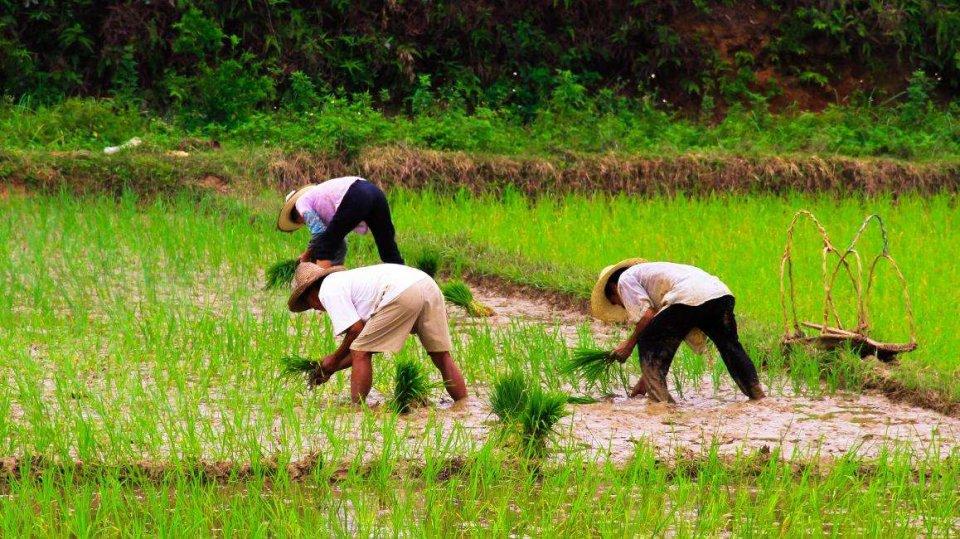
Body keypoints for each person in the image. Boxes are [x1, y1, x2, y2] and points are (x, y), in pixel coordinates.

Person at [287, 262, 467, 405]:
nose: (316, 308)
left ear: (311, 292)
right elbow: (367, 344)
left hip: (402, 292)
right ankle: (463, 405)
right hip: (427, 285)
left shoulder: (328, 290)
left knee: (360, 352)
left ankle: (357, 410)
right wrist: (330, 367)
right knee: (441, 355)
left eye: (309, 304)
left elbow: (357, 337)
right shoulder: (347, 281)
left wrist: (333, 359)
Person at [591, 258, 766, 404]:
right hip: (720, 294)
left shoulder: (624, 280)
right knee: (730, 347)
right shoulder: (657, 273)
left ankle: (662, 406)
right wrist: (646, 380)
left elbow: (647, 317)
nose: (622, 305)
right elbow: (669, 338)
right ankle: (758, 397)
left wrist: (629, 345)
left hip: (688, 296)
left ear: (614, 289)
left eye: (616, 302)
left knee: (647, 338)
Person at [277, 176, 403, 267]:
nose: (305, 222)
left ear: (296, 214)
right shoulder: (319, 201)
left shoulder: (301, 203)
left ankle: (322, 290)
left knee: (323, 249)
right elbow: (338, 241)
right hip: (375, 192)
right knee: (389, 251)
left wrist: (306, 256)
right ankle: (406, 284)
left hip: (356, 193)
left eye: (302, 222)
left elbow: (319, 233)